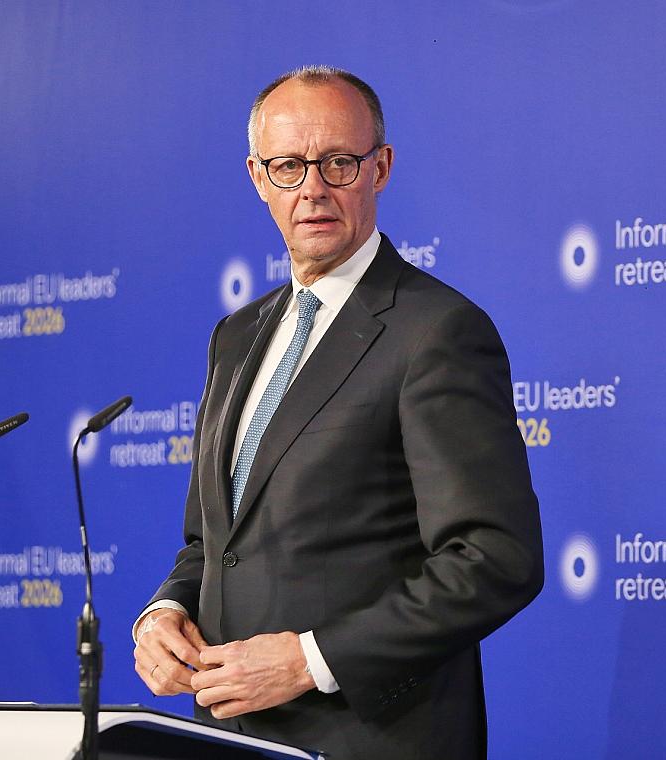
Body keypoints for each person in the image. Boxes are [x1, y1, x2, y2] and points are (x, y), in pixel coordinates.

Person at [132, 65, 543, 759]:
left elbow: (495, 557)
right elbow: (213, 542)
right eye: (288, 166)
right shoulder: (236, 337)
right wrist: (166, 611)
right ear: (258, 178)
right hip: (232, 738)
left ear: (380, 168)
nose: (313, 189)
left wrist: (310, 661)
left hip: (374, 740)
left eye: (339, 163)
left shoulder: (435, 330)